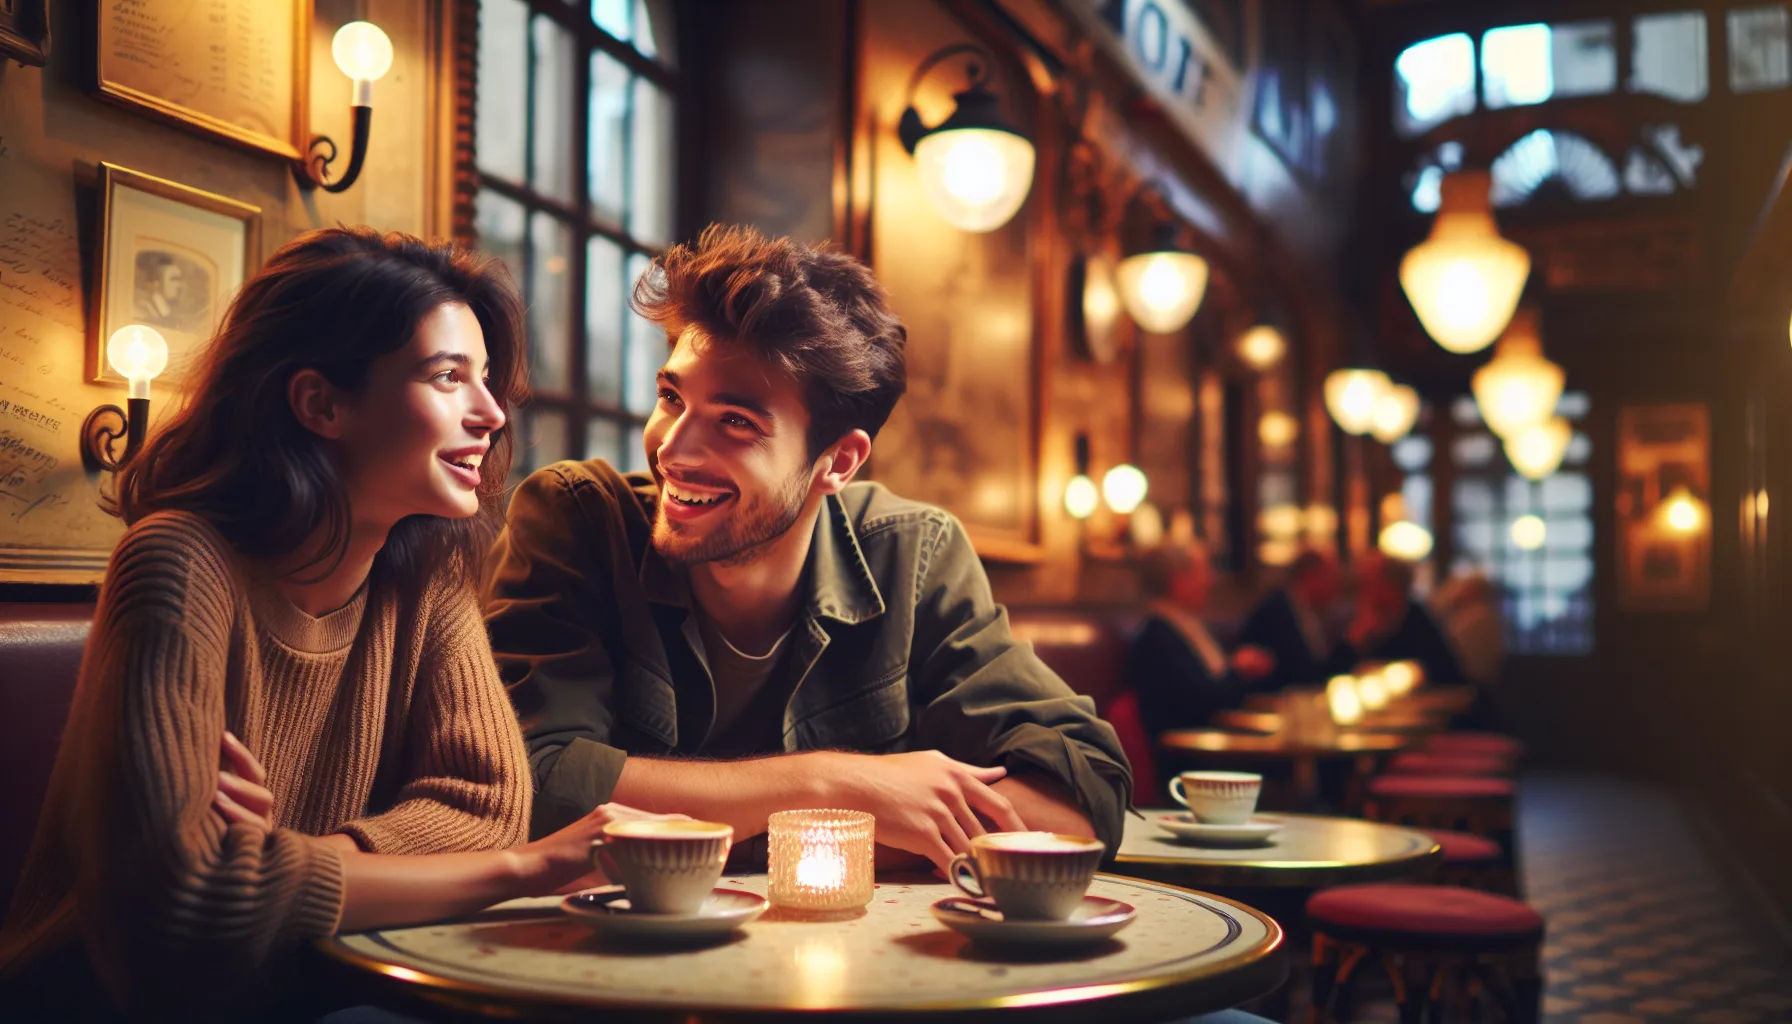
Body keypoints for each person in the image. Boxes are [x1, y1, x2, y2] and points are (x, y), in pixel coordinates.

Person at [0, 228, 674, 1021]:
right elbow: (183, 914)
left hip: (312, 986)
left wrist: (276, 859)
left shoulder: (427, 576)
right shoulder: (179, 563)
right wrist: (527, 871)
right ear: (321, 402)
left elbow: (489, 809)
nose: (491, 413)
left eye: (485, 379)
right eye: (448, 377)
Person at [484, 225, 1131, 872]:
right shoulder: (577, 520)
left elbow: (1083, 790)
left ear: (838, 461)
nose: (672, 449)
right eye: (671, 398)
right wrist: (831, 788)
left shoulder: (912, 557)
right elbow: (526, 784)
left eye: (735, 422)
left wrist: (749, 833)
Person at [1125, 542, 1269, 730]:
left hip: (1221, 736)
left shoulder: (1188, 625)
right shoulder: (1156, 639)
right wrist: (1238, 670)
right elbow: (1199, 704)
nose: (1212, 581)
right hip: (1194, 751)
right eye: (1203, 572)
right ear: (1177, 580)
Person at [1334, 552, 1467, 684]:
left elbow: (1447, 674)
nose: (1363, 591)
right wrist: (1355, 640)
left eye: (1368, 582)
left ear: (1392, 586)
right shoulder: (1356, 618)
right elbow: (1334, 675)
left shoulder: (1418, 620)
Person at [1235, 548, 1342, 688]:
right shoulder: (1276, 611)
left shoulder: (1310, 611)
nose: (1335, 586)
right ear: (1311, 576)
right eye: (1331, 578)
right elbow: (1297, 673)